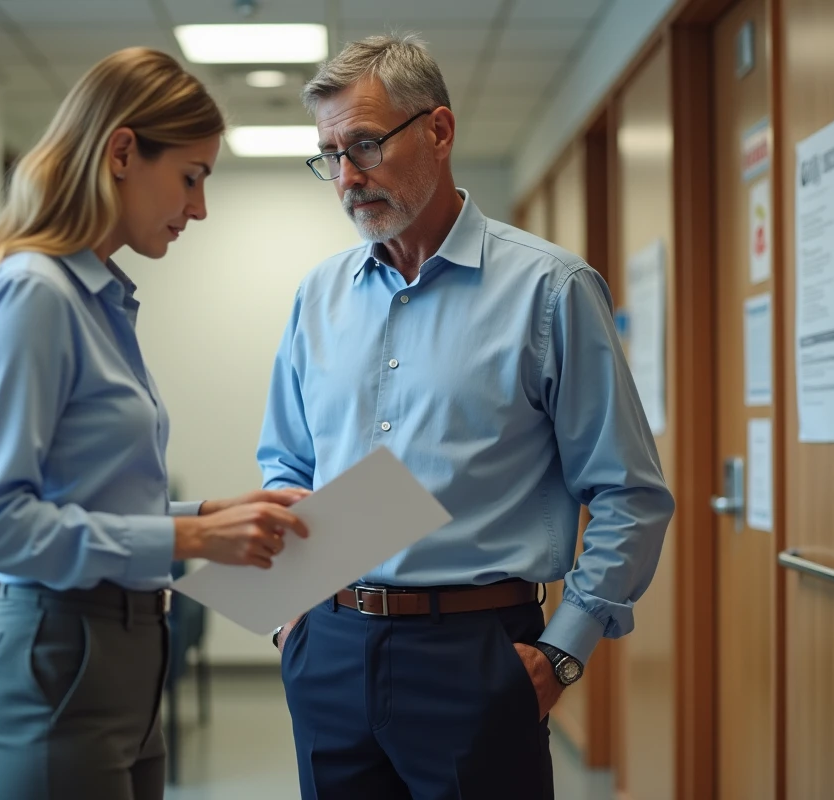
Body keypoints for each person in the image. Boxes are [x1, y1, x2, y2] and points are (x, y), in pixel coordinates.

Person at [260, 35, 675, 798]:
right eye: (329, 155)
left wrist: (564, 652)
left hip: (476, 654)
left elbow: (629, 494)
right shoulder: (315, 299)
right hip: (329, 646)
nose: (347, 178)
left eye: (365, 145)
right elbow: (285, 464)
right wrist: (293, 620)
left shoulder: (550, 291)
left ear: (439, 131)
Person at [0, 47, 308, 800]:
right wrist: (189, 539)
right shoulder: (35, 295)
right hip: (58, 664)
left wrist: (207, 513)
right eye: (192, 177)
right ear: (121, 152)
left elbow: (81, 494)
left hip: (133, 664)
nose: (198, 208)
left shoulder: (100, 302)